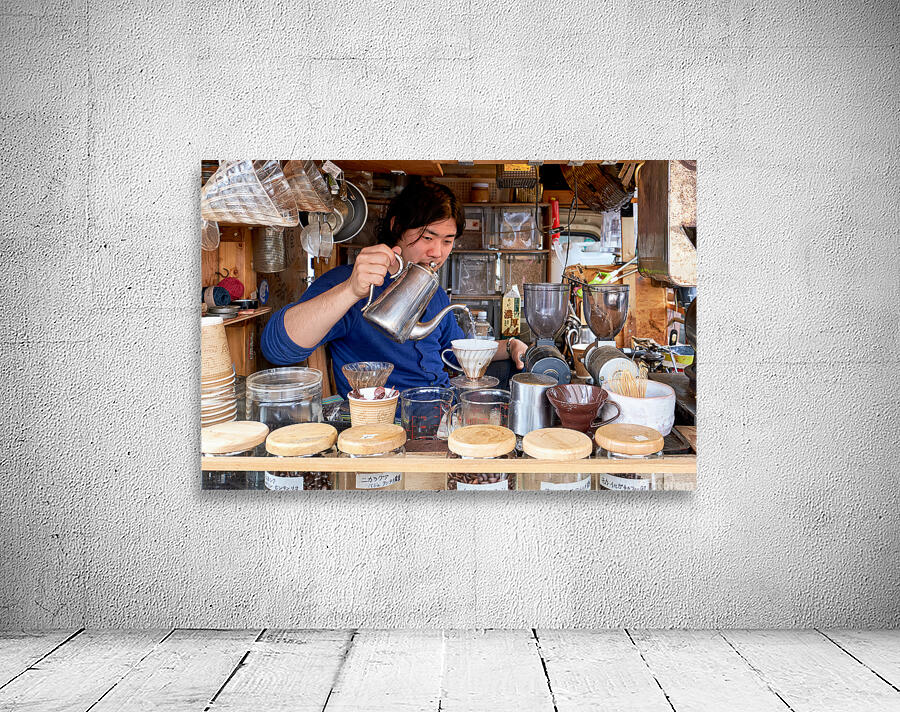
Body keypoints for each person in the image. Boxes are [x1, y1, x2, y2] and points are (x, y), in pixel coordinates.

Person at [261, 180, 527, 396]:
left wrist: (512, 345)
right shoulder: (349, 281)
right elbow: (277, 349)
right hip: (387, 418)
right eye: (427, 237)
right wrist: (351, 291)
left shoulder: (433, 292)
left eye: (447, 241)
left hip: (441, 409)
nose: (437, 252)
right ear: (397, 226)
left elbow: (457, 352)